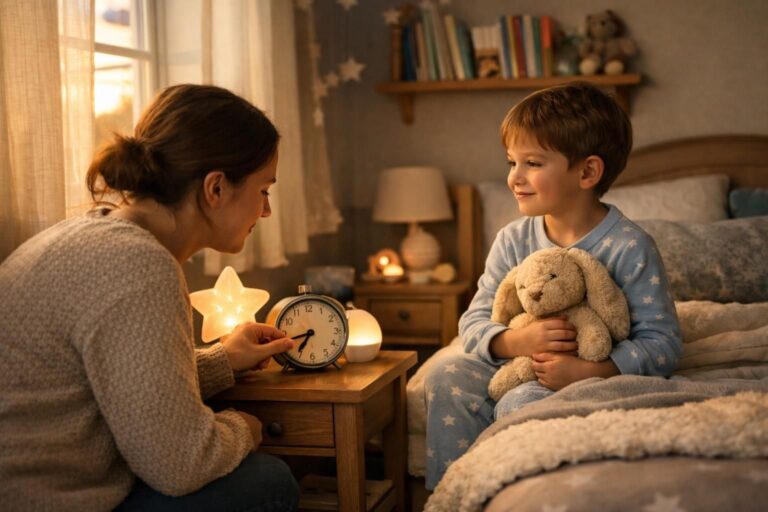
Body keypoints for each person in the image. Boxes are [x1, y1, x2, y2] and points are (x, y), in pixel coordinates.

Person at [0, 84, 301, 511]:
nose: (266, 211)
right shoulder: (139, 265)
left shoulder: (94, 237)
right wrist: (246, 429)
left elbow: (122, 380)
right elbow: (181, 464)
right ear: (215, 188)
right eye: (264, 190)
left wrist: (221, 360)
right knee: (266, 482)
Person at [422, 82, 682, 490]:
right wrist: (516, 342)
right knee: (444, 374)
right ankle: (453, 496)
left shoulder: (630, 246)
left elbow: (663, 343)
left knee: (518, 403)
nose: (514, 178)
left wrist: (591, 371)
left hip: (586, 374)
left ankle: (513, 495)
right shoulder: (513, 239)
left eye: (533, 163)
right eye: (512, 162)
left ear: (587, 172)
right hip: (513, 362)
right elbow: (474, 320)